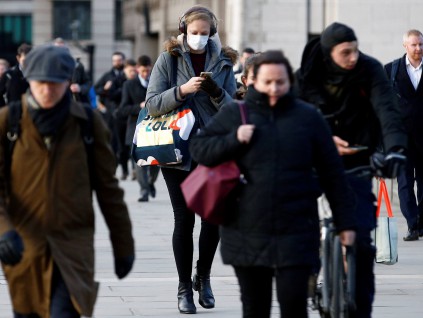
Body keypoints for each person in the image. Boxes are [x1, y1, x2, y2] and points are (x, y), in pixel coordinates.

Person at [189, 50, 357, 318]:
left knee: (294, 305)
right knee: (255, 308)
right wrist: (233, 139)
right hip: (246, 229)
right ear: (253, 82)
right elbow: (199, 149)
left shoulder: (307, 117)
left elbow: (333, 174)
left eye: (280, 81)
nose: (274, 88)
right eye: (268, 82)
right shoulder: (236, 113)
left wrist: (347, 224)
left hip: (297, 229)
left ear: (289, 81)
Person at [0, 45, 135, 318]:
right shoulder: (9, 121)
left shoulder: (87, 123)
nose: (47, 90)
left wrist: (124, 246)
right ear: (30, 81)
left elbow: (108, 190)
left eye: (55, 84)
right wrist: (3, 230)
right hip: (25, 247)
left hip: (73, 246)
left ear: (68, 83)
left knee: (65, 311)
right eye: (40, 83)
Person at [296, 22, 408, 318]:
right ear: (328, 54)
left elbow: (387, 109)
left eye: (356, 50)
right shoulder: (308, 74)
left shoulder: (369, 70)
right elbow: (293, 118)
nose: (353, 57)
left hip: (357, 158)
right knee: (300, 228)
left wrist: (395, 149)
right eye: (345, 52)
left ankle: (361, 310)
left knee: (361, 242)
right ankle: (309, 271)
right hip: (313, 160)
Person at [145, 5, 237, 314]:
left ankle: (204, 276)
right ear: (184, 30)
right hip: (176, 149)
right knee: (184, 218)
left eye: (204, 33)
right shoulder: (168, 59)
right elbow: (152, 104)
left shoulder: (224, 61)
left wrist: (215, 92)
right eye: (193, 33)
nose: (198, 38)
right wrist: (182, 90)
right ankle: (184, 287)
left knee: (213, 218)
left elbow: (232, 111)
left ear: (213, 32)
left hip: (213, 148)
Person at [385, 29, 423, 241]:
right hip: (402, 138)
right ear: (405, 46)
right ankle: (412, 224)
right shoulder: (390, 70)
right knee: (405, 183)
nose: (418, 48)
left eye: (421, 44)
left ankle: (422, 222)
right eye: (414, 45)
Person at [117, 55, 160, 201]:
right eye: (142, 71)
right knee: (140, 162)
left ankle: (150, 182)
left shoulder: (158, 82)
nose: (145, 74)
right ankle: (144, 191)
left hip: (155, 128)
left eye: (147, 71)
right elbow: (123, 109)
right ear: (137, 69)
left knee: (156, 163)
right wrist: (139, 107)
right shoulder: (129, 85)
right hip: (136, 129)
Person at [109, 58, 138, 180]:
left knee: (133, 144)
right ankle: (125, 171)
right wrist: (122, 90)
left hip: (132, 117)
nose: (132, 73)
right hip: (120, 117)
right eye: (130, 70)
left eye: (134, 70)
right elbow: (110, 95)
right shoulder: (117, 81)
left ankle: (134, 170)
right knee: (121, 146)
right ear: (125, 70)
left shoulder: (138, 82)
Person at [53, 37, 92, 105]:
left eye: (62, 49)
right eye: (57, 49)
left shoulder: (77, 65)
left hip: (74, 104)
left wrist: (79, 88)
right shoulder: (48, 67)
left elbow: (88, 83)